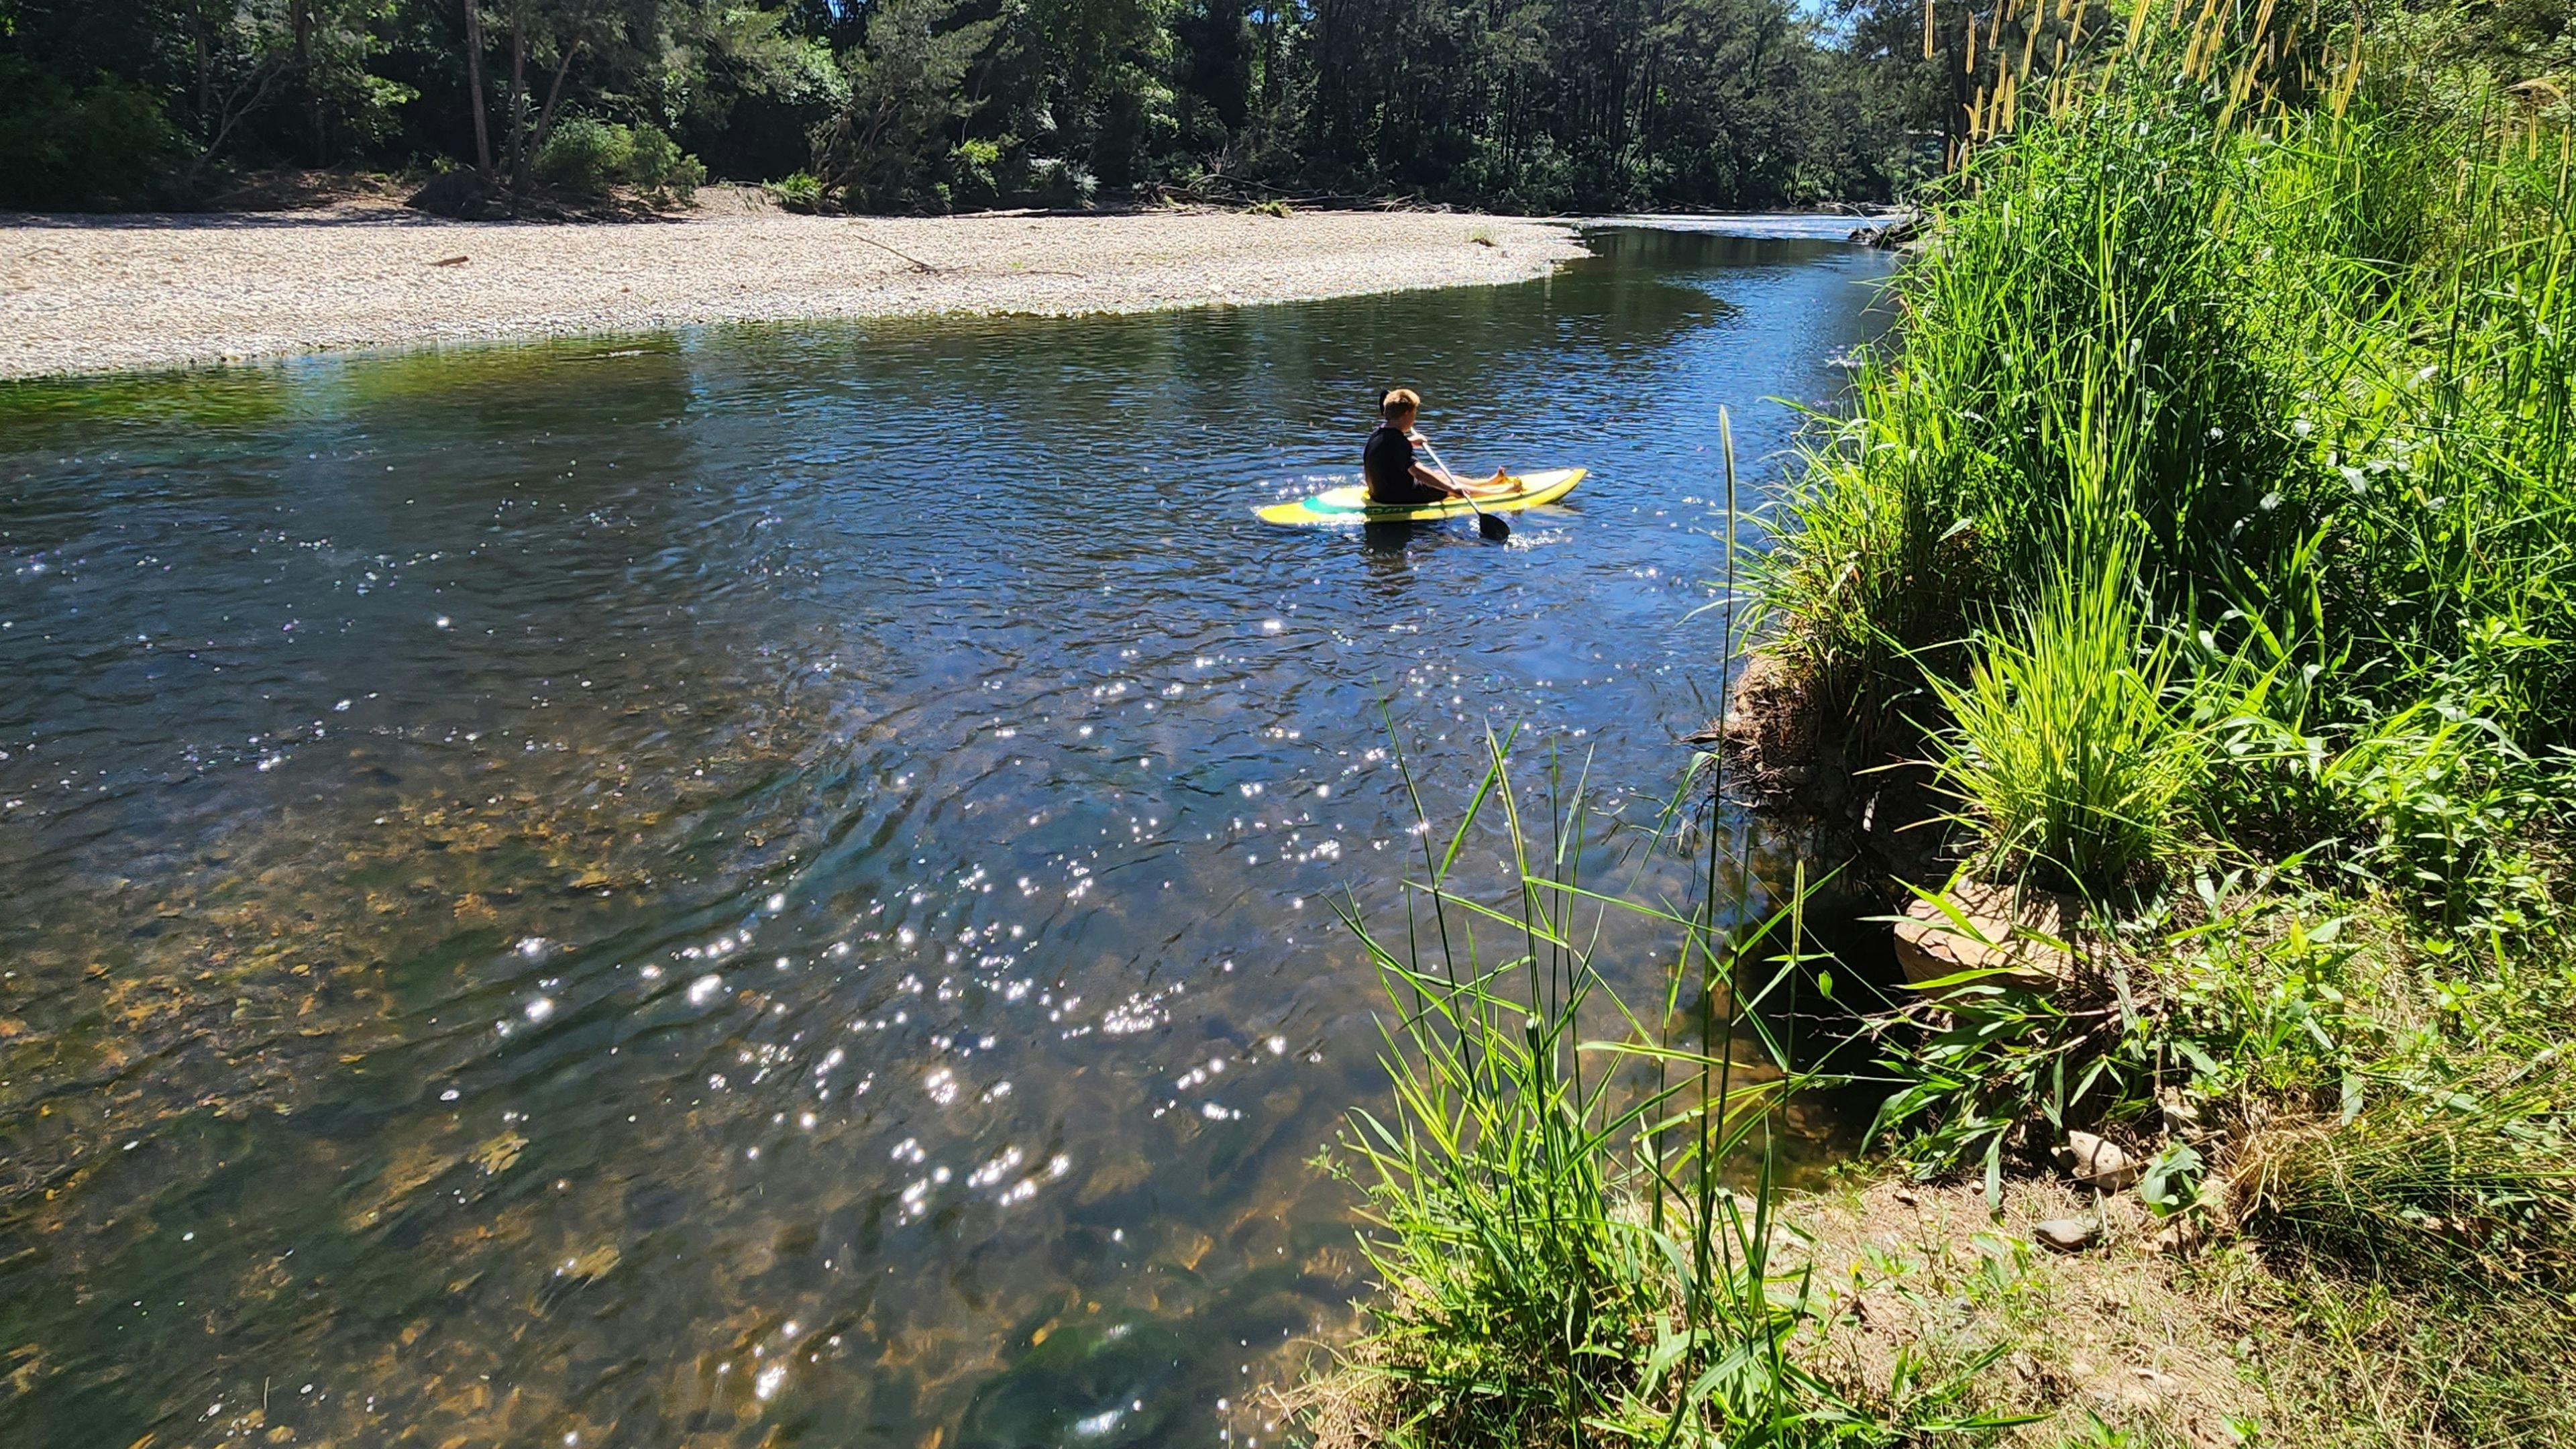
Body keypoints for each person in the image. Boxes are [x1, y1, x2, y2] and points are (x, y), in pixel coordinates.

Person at [1364, 388, 1508, 505]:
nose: (1414, 419)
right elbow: (1419, 473)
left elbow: (1390, 451)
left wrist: (1410, 442)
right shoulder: (1399, 443)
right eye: (1414, 414)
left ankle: (1486, 483)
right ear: (1406, 414)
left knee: (1439, 475)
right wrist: (1452, 488)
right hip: (1396, 497)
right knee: (1446, 486)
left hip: (1380, 492)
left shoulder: (1378, 434)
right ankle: (1501, 493)